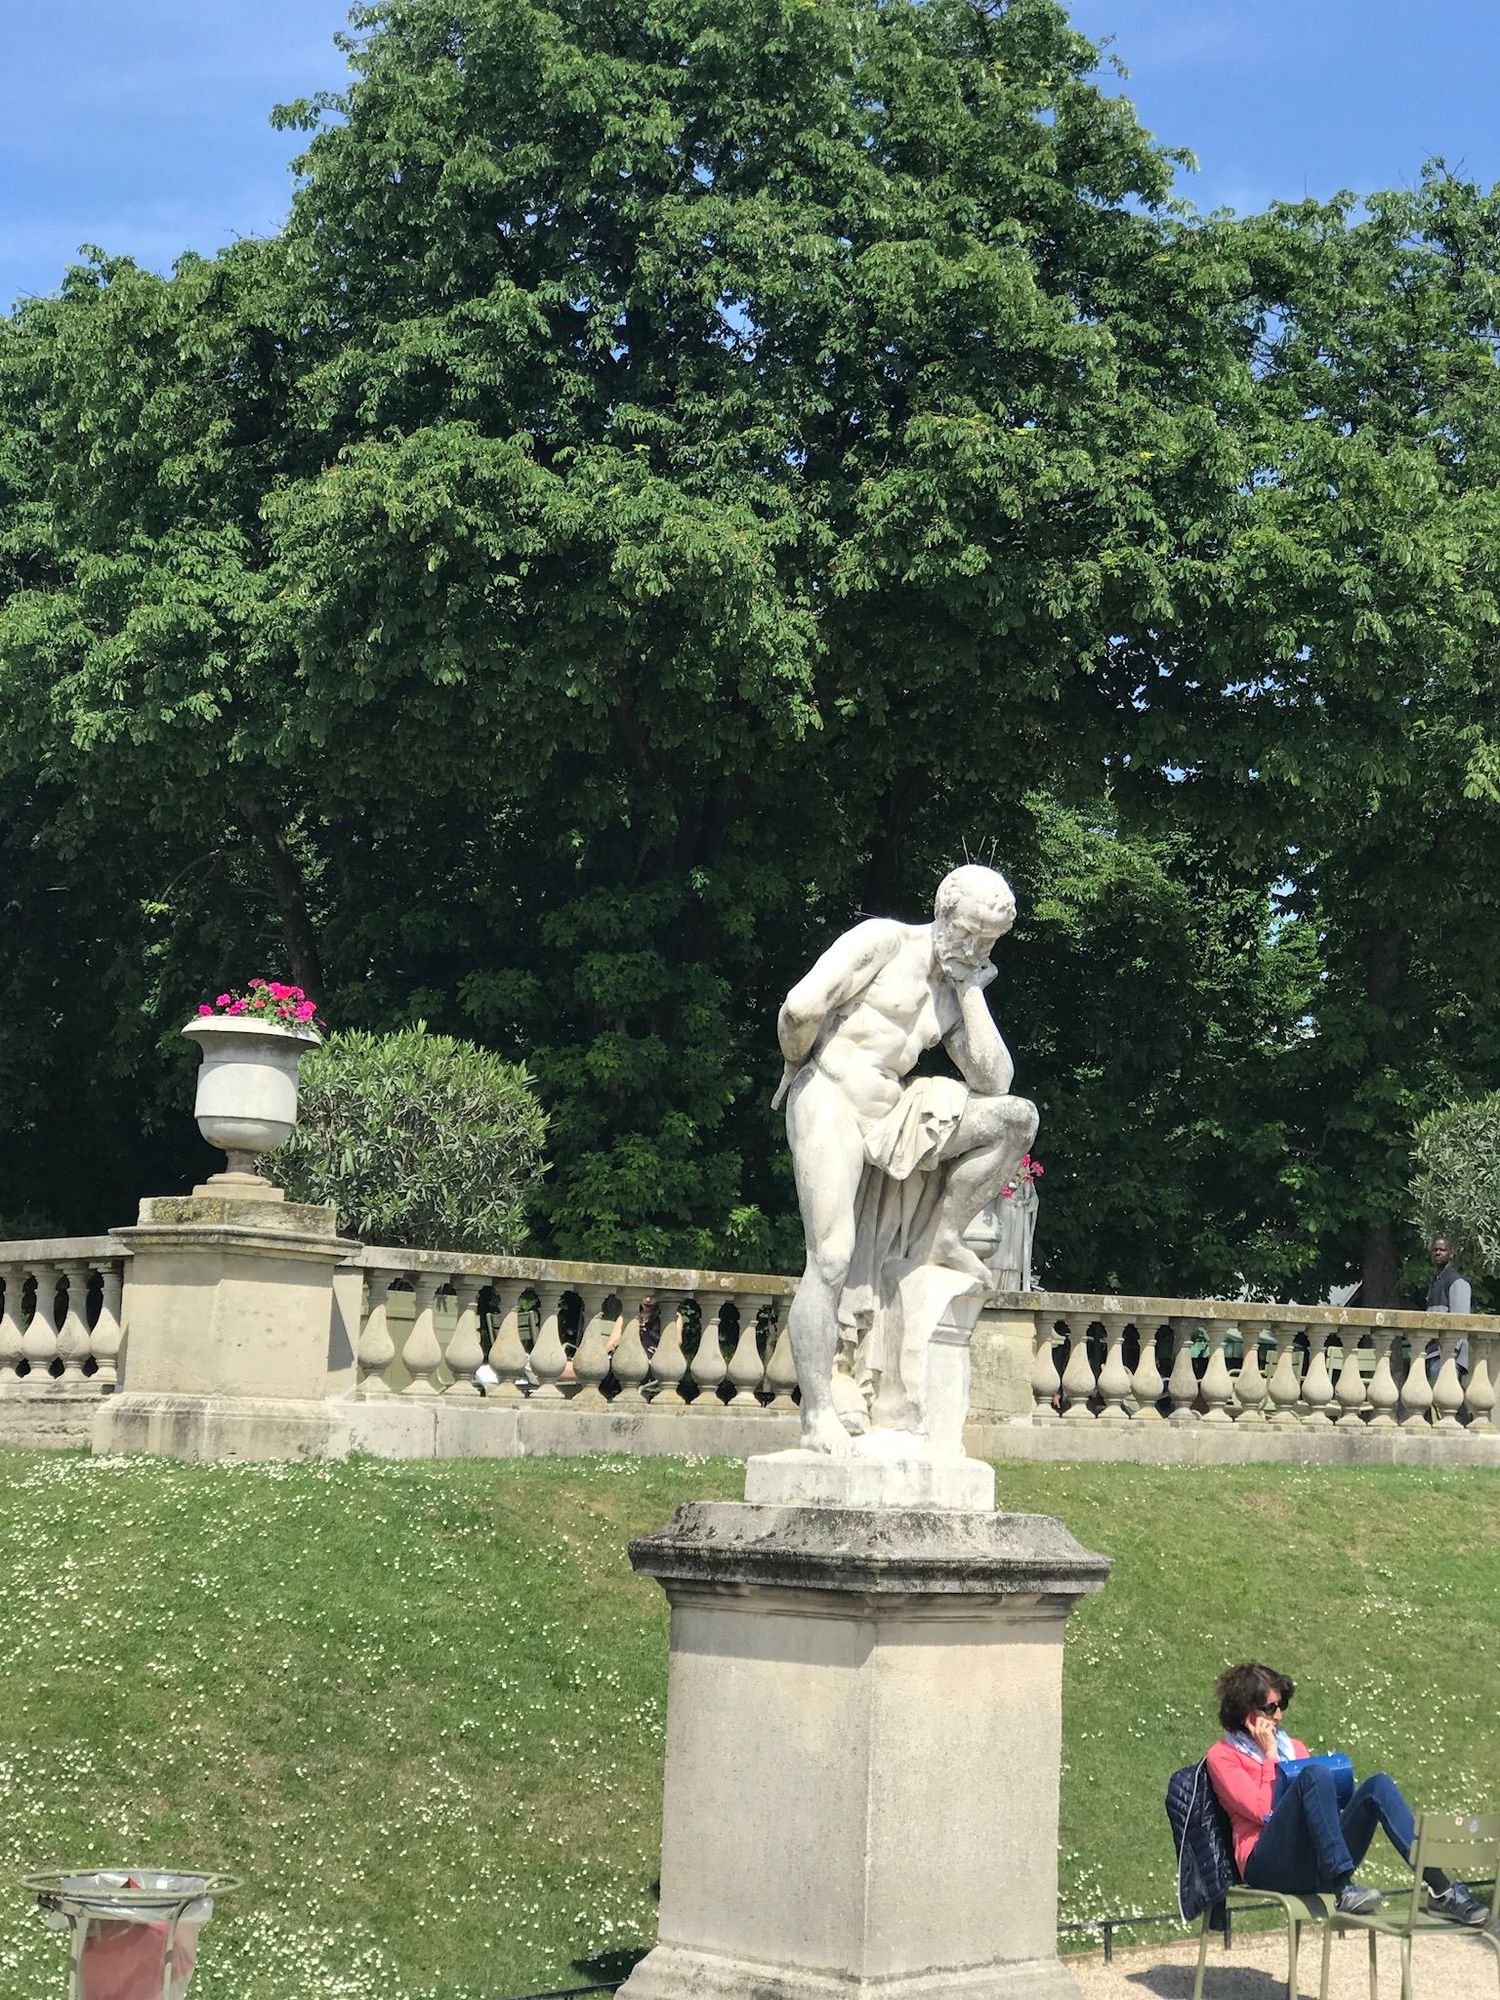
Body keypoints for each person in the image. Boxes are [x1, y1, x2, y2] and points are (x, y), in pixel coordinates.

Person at [773, 865, 1038, 1452]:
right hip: (832, 1096)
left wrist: (971, 990)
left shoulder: (953, 991)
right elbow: (799, 1008)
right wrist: (798, 1064)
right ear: (944, 913)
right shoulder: (884, 941)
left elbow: (994, 1080)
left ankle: (946, 1235)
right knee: (831, 1256)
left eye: (989, 942)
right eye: (968, 933)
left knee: (1016, 1119)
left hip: (893, 1111)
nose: (975, 949)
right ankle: (818, 1414)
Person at [1204, 1661, 1489, 1924]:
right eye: (1269, 1708)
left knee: (1378, 1785)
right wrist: (1270, 1757)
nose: (1279, 1715)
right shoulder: (1223, 1756)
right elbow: (1263, 1810)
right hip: (1267, 1866)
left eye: (1282, 1705)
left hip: (1314, 1863)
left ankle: (1442, 1891)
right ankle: (1343, 1888)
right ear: (1246, 1713)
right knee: (1315, 1774)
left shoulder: (1295, 1748)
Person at [1425, 1236, 1472, 1386]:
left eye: (1442, 1250)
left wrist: (1452, 1354)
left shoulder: (1458, 1282)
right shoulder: (1435, 1281)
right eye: (1435, 1250)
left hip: (1448, 1355)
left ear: (1451, 1253)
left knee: (1447, 1395)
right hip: (1433, 1352)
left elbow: (1460, 1323)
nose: (1438, 1253)